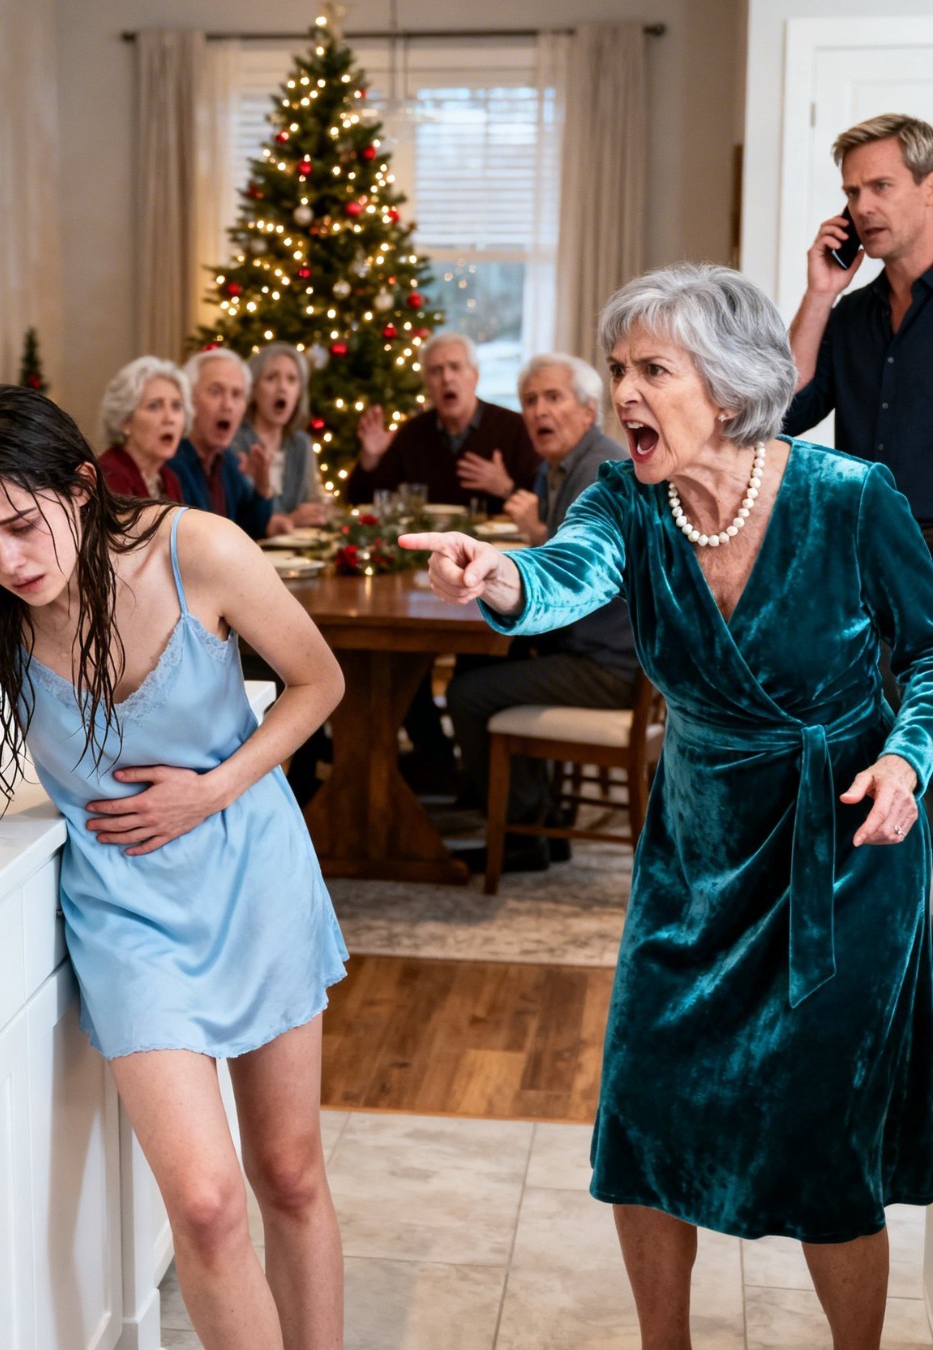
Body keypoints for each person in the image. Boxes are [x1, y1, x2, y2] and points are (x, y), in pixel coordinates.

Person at [402, 263, 933, 1349]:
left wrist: (909, 763)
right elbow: (556, 579)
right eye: (618, 368)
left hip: (842, 847)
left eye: (654, 369)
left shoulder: (851, 498)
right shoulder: (627, 504)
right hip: (695, 850)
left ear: (729, 385)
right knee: (644, 1111)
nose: (624, 393)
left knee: (822, 1130)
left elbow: (930, 653)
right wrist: (492, 573)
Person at [0, 385, 349, 1350]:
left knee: (289, 1175)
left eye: (19, 526)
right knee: (206, 1205)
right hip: (125, 909)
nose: (9, 562)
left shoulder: (197, 551)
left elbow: (316, 681)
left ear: (80, 486)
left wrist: (210, 790)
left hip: (255, 874)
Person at [446, 354, 638, 873]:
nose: (537, 412)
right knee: (473, 667)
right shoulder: (556, 467)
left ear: (587, 410)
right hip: (586, 647)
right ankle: (533, 816)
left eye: (553, 398)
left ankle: (521, 836)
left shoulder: (599, 470)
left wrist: (531, 543)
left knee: (468, 692)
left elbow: (576, 581)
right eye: (530, 400)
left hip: (611, 665)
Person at [783, 113, 933, 542]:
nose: (862, 207)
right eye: (852, 192)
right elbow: (783, 416)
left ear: (930, 187)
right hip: (860, 550)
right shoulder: (850, 315)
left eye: (881, 186)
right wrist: (819, 295)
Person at [344, 331, 540, 511]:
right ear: (426, 383)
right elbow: (360, 502)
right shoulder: (412, 433)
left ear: (475, 376)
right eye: (436, 371)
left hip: (493, 547)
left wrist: (506, 488)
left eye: (455, 367)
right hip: (427, 544)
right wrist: (370, 460)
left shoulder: (514, 427)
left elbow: (545, 510)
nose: (447, 378)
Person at [169, 346, 275, 540]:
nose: (228, 405)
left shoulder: (230, 463)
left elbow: (251, 532)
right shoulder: (170, 462)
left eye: (237, 395)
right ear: (188, 399)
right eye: (215, 392)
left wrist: (262, 487)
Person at [230, 342, 331, 537]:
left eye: (292, 380)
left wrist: (315, 513)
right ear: (253, 389)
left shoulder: (301, 443)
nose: (282, 388)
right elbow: (239, 514)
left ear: (299, 393)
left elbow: (313, 503)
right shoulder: (235, 441)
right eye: (271, 378)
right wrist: (291, 519)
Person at [97, 355, 188, 502]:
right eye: (154, 406)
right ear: (125, 421)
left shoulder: (169, 479)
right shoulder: (110, 476)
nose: (170, 418)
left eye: (176, 406)